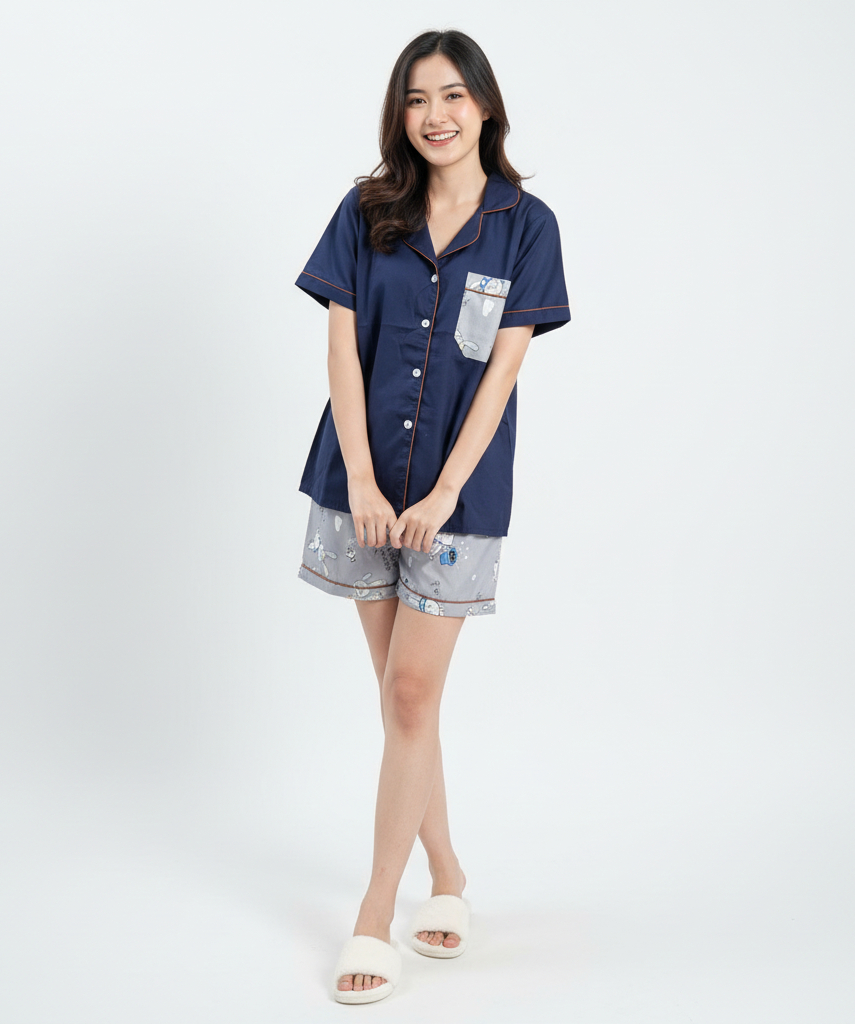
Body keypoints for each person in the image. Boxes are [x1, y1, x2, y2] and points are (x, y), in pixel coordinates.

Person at [293, 28, 570, 1004]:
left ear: (485, 105)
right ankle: (447, 873)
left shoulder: (526, 226)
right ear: (398, 114)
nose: (435, 115)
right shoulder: (366, 210)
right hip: (360, 486)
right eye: (416, 99)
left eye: (453, 95)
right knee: (402, 700)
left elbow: (503, 371)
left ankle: (376, 913)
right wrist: (366, 483)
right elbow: (341, 349)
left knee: (410, 695)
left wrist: (445, 491)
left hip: (458, 494)